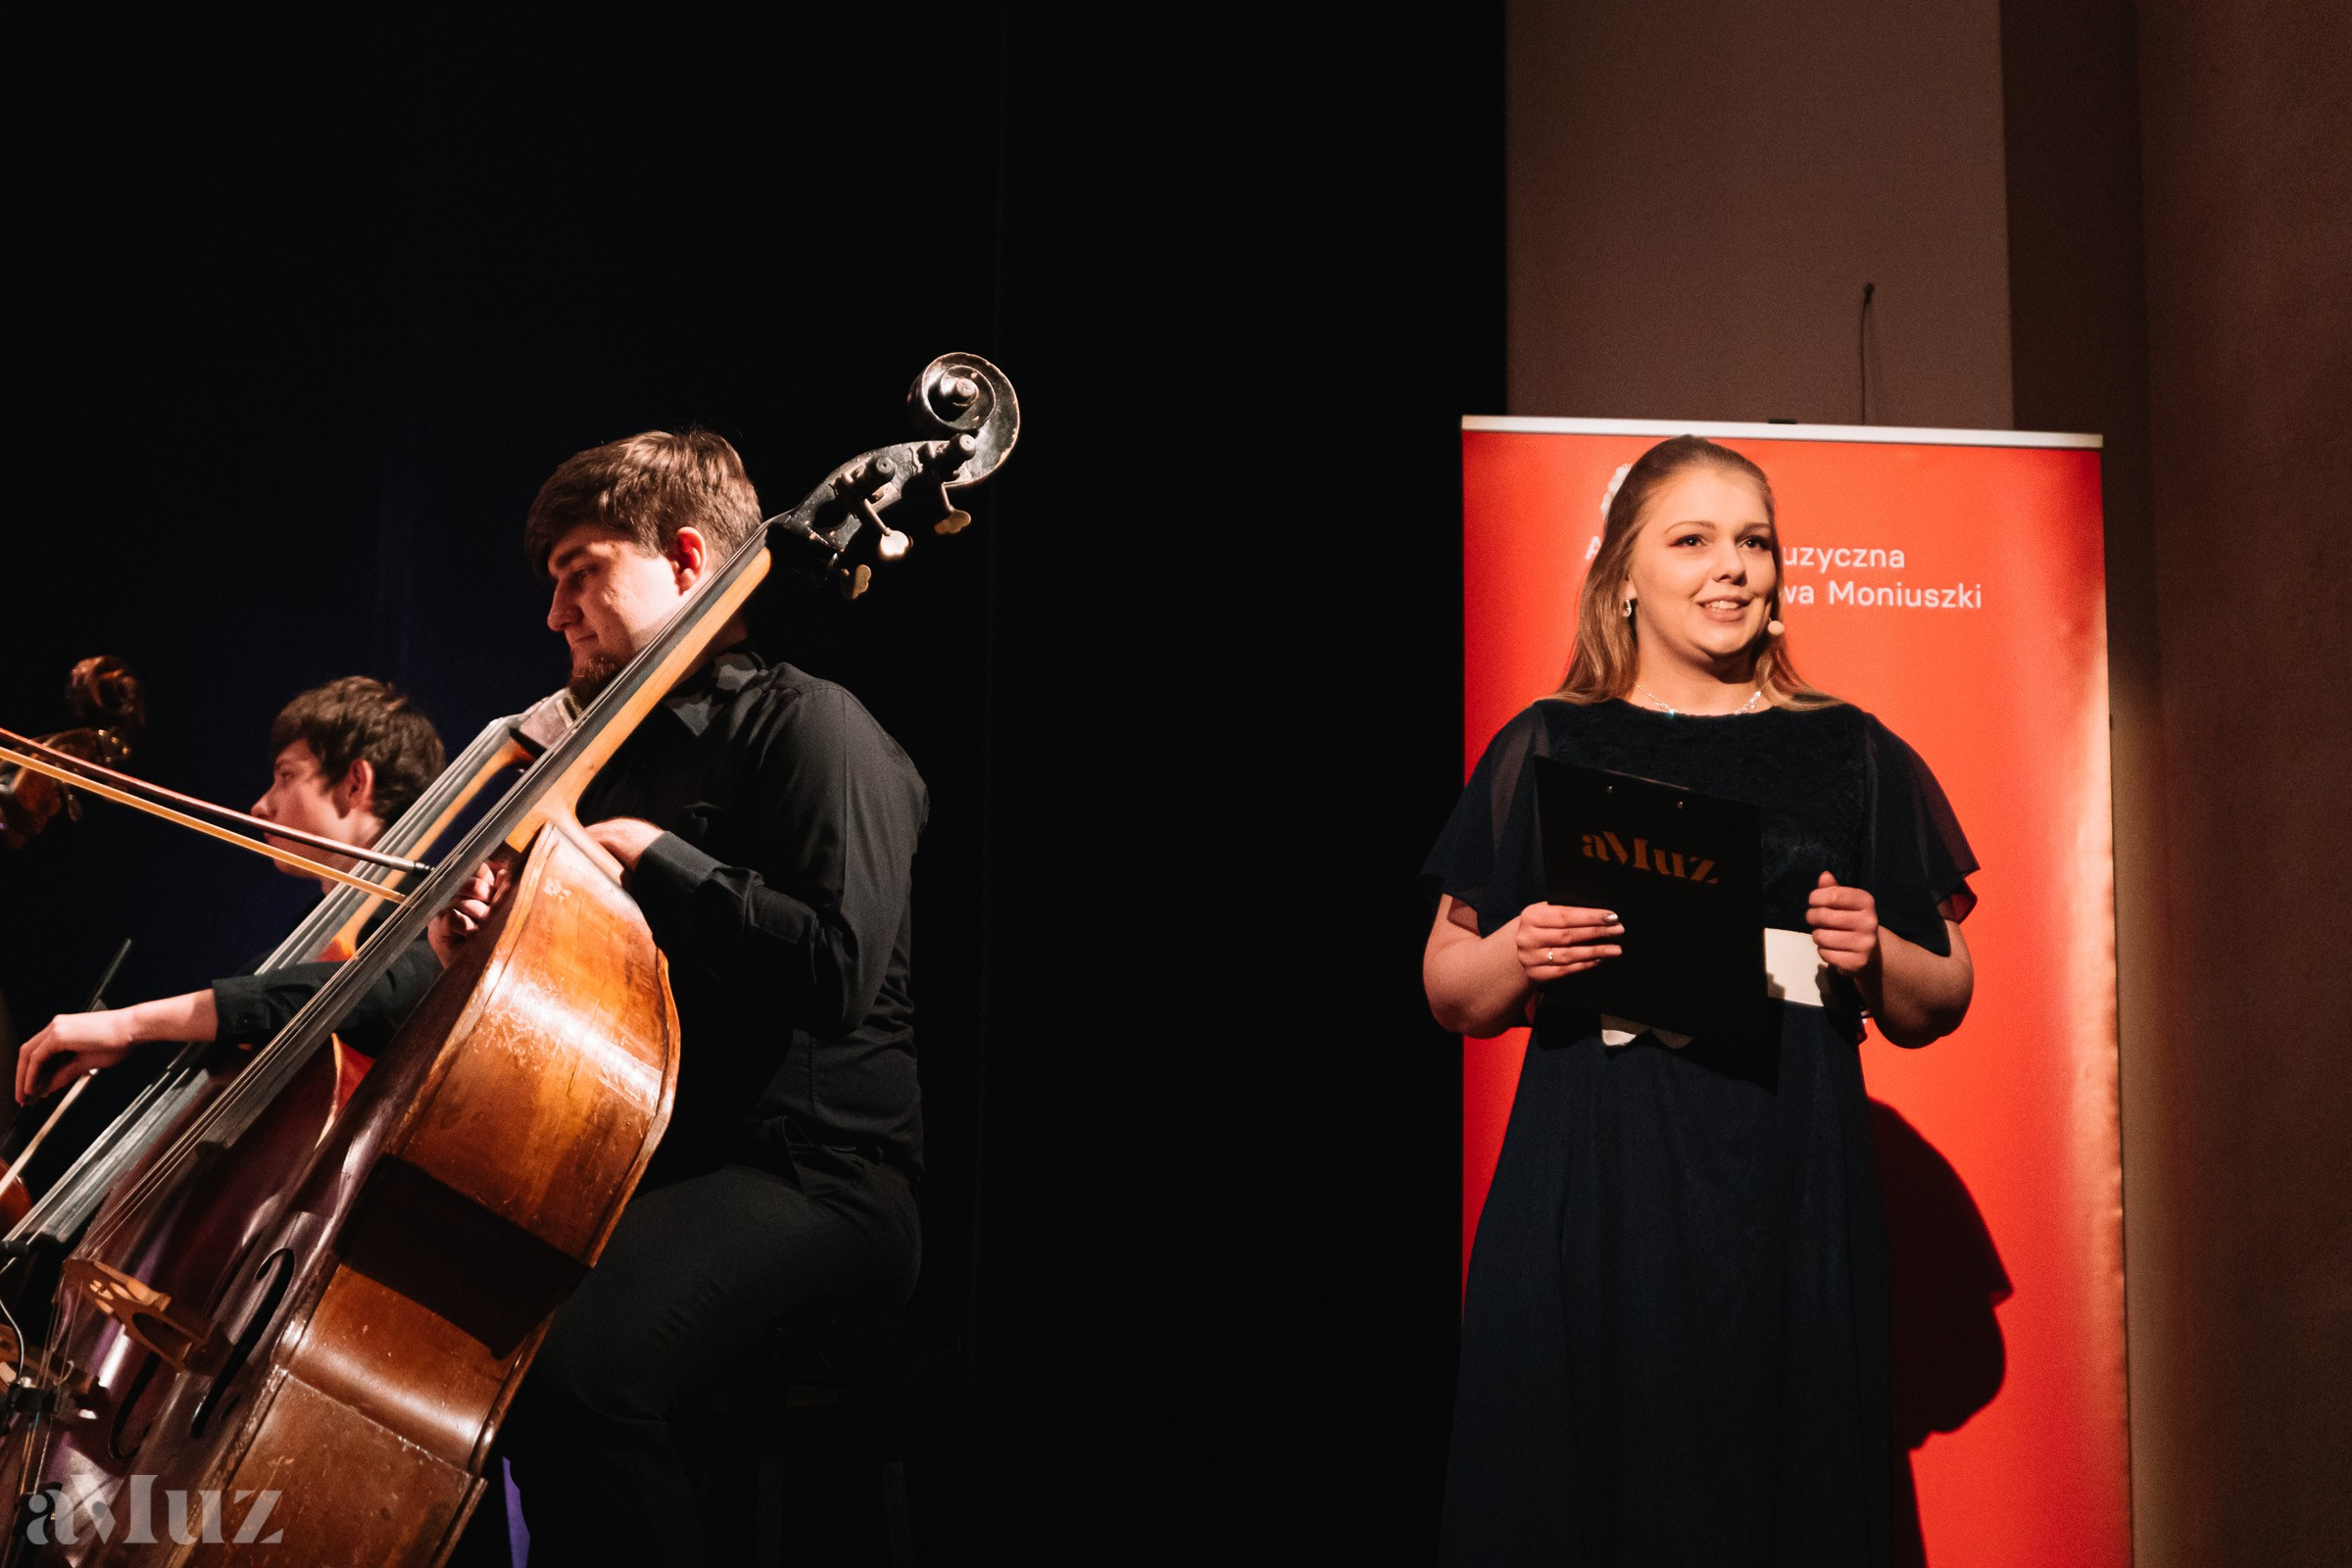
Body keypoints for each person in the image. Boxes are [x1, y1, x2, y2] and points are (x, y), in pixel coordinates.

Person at [1421, 435, 1978, 1564]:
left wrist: (1877, 951)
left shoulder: (1848, 750)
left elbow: (1942, 991)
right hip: (1603, 1156)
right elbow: (1450, 987)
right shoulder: (1549, 742)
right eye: (1693, 540)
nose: (1732, 567)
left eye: (1755, 541)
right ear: (1625, 573)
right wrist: (1522, 948)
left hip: (1789, 1161)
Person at [429, 429, 926, 1565]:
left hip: (820, 1177)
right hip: (657, 1168)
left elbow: (839, 973)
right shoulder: (610, 764)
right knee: (465, 1345)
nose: (556, 614)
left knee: (575, 1372)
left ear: (691, 558)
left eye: (581, 571)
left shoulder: (816, 724)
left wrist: (660, 857)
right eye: (551, 585)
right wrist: (481, 940)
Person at [12, 676, 447, 1111]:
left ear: (355, 782)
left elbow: (361, 990)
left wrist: (131, 1024)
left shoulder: (431, 925)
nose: (260, 805)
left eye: (286, 776)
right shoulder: (287, 958)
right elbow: (269, 999)